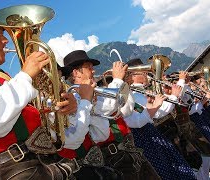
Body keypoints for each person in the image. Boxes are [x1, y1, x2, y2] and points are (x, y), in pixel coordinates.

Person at [0, 4, 96, 180]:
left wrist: (68, 110)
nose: (6, 40)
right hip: (16, 170)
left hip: (46, 163)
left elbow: (67, 139)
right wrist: (26, 75)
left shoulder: (8, 81)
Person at [63, 50, 161, 180]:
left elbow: (126, 110)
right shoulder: (76, 97)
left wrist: (125, 84)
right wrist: (117, 80)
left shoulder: (97, 90)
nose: (93, 71)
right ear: (76, 72)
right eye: (89, 67)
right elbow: (109, 107)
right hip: (113, 158)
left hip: (128, 150)